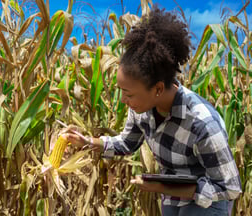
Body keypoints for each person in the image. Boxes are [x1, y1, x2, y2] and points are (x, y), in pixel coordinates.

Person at [63, 6, 242, 216]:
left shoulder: (202, 124)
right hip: (172, 199)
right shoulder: (141, 109)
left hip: (207, 202)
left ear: (157, 89)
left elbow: (229, 188)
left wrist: (163, 187)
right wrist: (87, 142)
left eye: (129, 94)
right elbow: (127, 143)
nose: (123, 101)